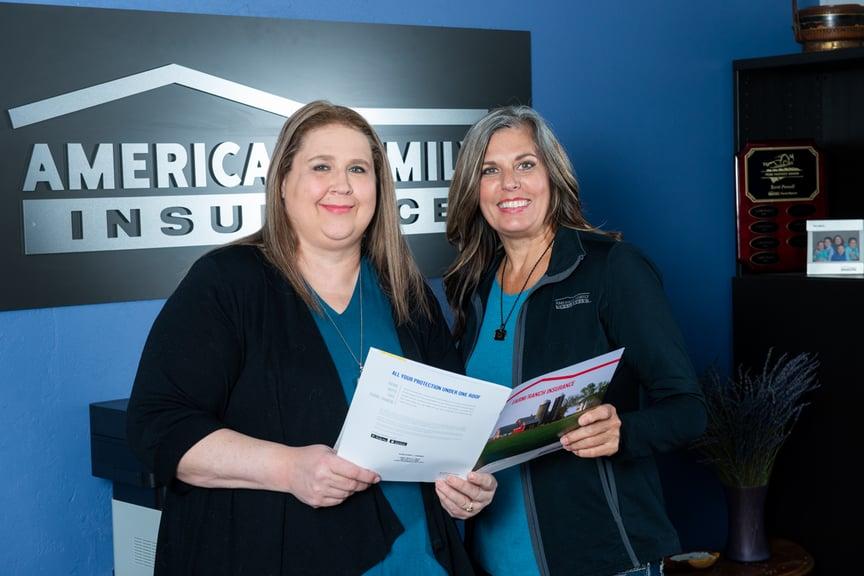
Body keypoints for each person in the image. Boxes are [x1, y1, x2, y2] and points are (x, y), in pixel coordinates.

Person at [126, 101, 496, 576]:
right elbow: (156, 426)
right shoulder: (227, 283)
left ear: (378, 190)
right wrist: (287, 469)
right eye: (321, 166)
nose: (341, 184)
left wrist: (471, 485)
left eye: (358, 169)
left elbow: (455, 435)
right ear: (283, 183)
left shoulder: (407, 294)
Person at [444, 106, 706, 576]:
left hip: (603, 559)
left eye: (525, 164)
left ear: (552, 174)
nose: (510, 183)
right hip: (494, 559)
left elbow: (688, 410)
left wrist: (622, 431)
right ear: (473, 189)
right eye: (490, 170)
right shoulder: (473, 286)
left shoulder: (613, 268)